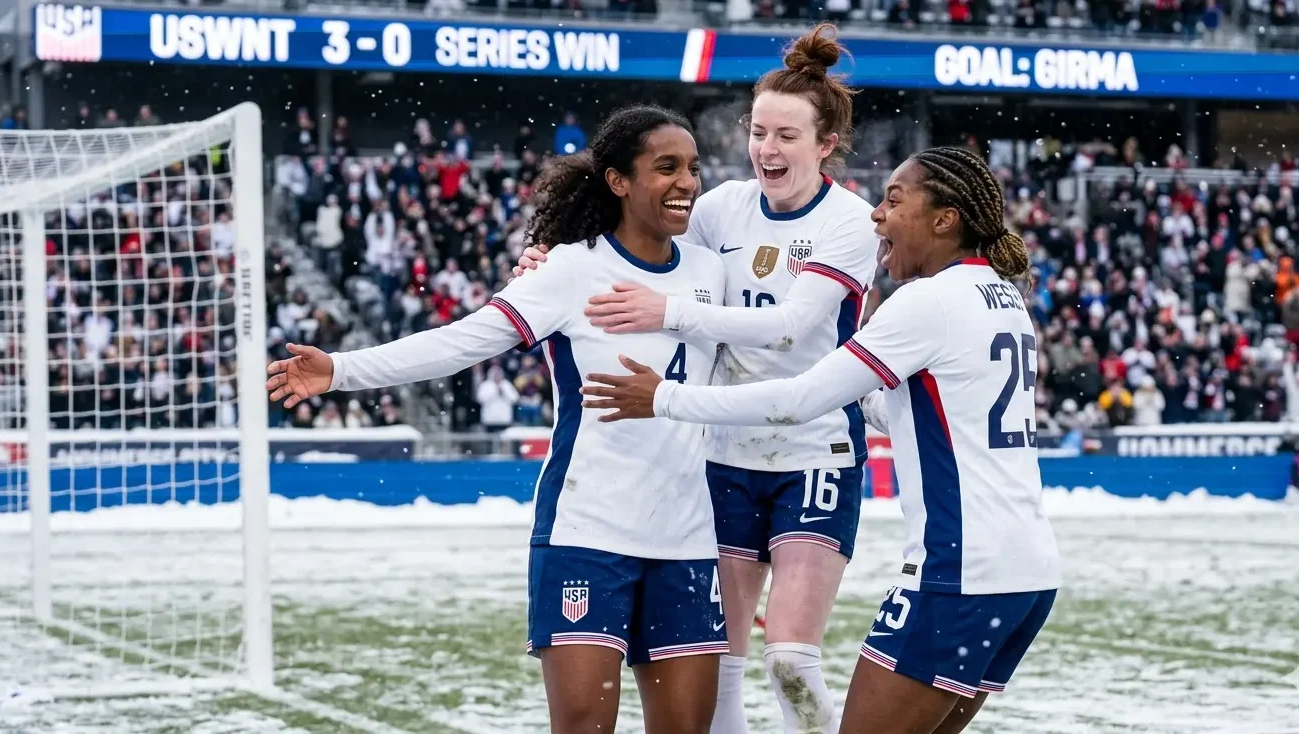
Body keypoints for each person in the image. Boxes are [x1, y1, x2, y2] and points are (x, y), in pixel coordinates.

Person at [266, 105, 730, 734]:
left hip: (687, 539)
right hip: (587, 534)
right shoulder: (570, 268)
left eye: (693, 168)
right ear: (618, 180)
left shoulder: (710, 271)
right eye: (666, 167)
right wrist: (342, 370)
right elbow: (463, 340)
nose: (686, 182)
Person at [576, 146, 1061, 734]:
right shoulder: (1003, 297)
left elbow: (798, 401)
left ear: (944, 220)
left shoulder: (927, 301)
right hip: (1027, 574)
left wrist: (665, 398)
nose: (877, 214)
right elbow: (915, 412)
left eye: (894, 201)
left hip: (959, 572)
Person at [516, 24, 879, 734]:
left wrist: (671, 311)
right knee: (722, 666)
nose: (767, 149)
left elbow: (788, 326)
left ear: (825, 145)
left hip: (815, 449)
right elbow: (643, 247)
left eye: (787, 136)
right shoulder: (721, 209)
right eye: (758, 132)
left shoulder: (851, 223)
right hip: (725, 452)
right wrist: (553, 256)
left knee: (790, 659)